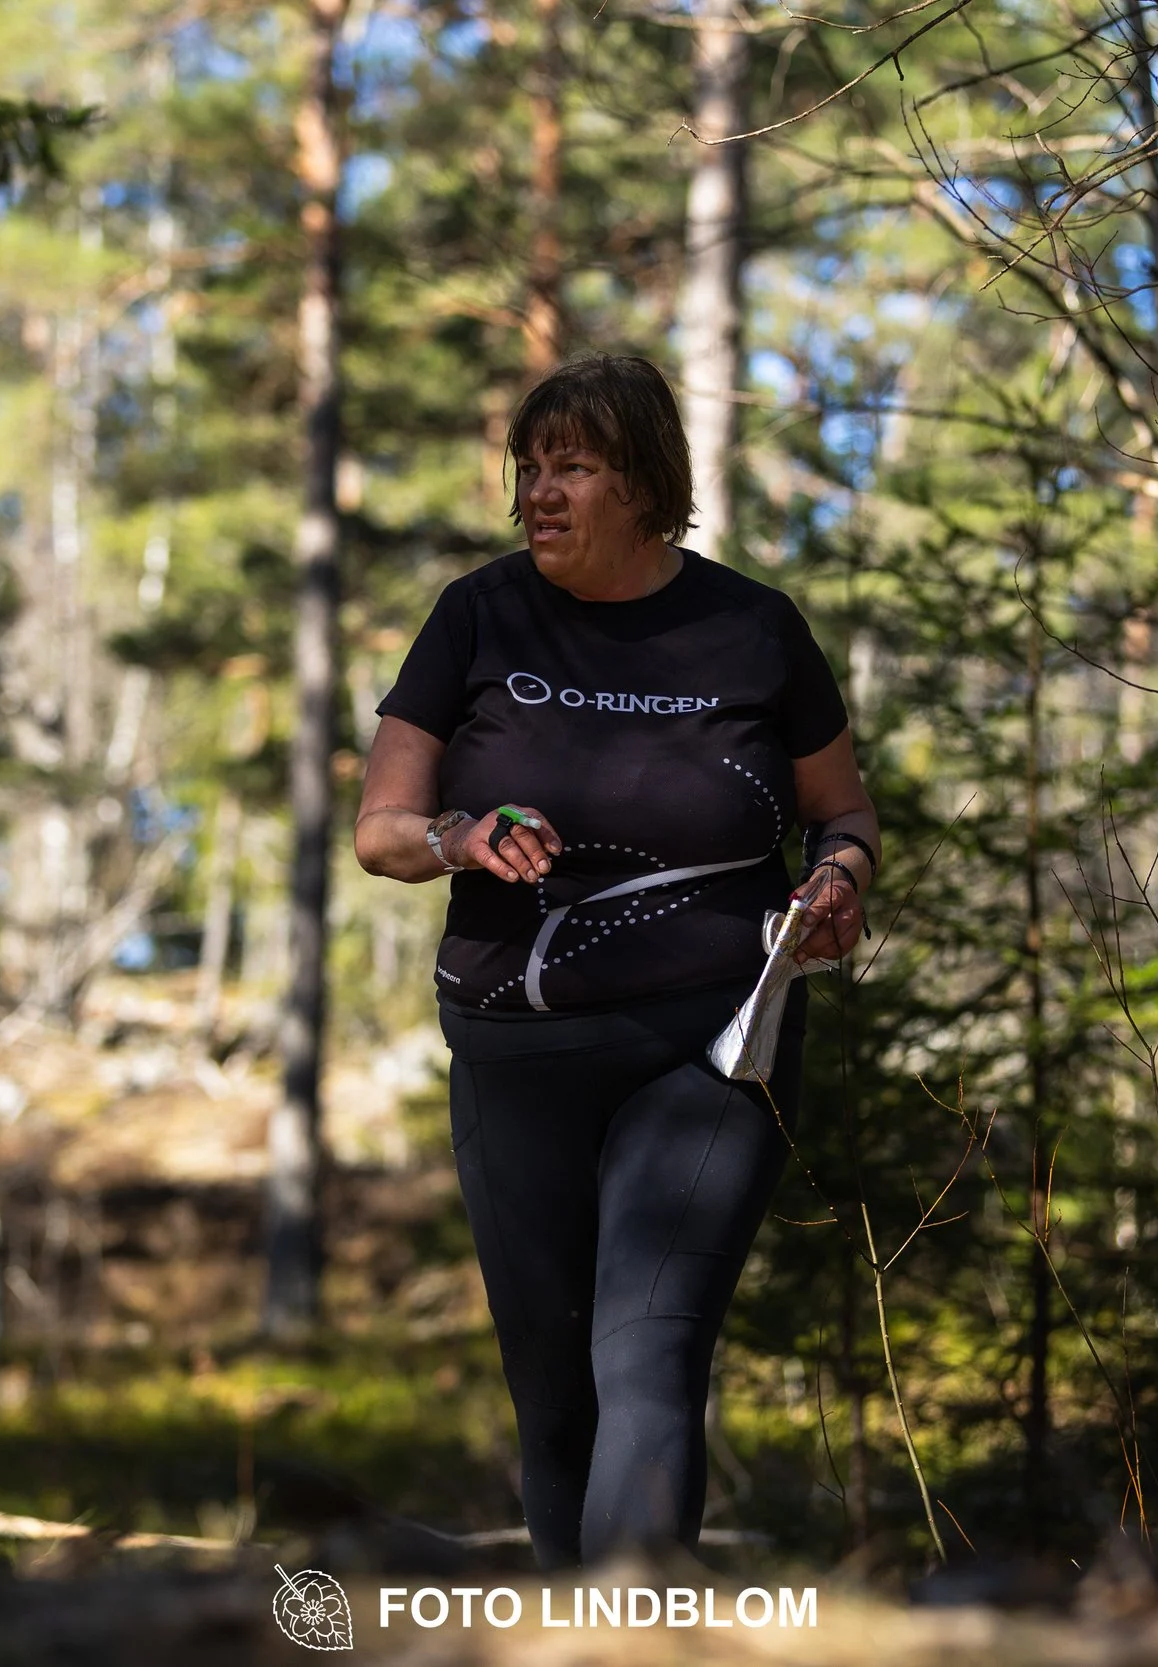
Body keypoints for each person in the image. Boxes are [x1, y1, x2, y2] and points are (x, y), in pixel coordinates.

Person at [354, 354, 881, 1568]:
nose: (541, 491)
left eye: (574, 467)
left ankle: (629, 1635)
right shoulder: (477, 614)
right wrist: (460, 837)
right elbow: (381, 831)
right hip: (515, 1052)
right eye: (530, 468)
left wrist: (838, 882)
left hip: (705, 1044)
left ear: (645, 482)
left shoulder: (751, 628)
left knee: (648, 1348)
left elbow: (842, 814)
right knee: (554, 1391)